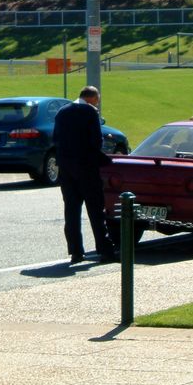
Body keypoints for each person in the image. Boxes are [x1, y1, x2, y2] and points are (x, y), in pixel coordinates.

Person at [52, 86, 118, 264]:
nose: (98, 104)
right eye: (97, 100)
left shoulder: (62, 112)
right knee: (96, 210)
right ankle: (105, 250)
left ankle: (75, 251)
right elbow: (96, 141)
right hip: (87, 167)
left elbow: (56, 138)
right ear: (92, 99)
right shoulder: (90, 112)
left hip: (66, 167)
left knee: (71, 211)